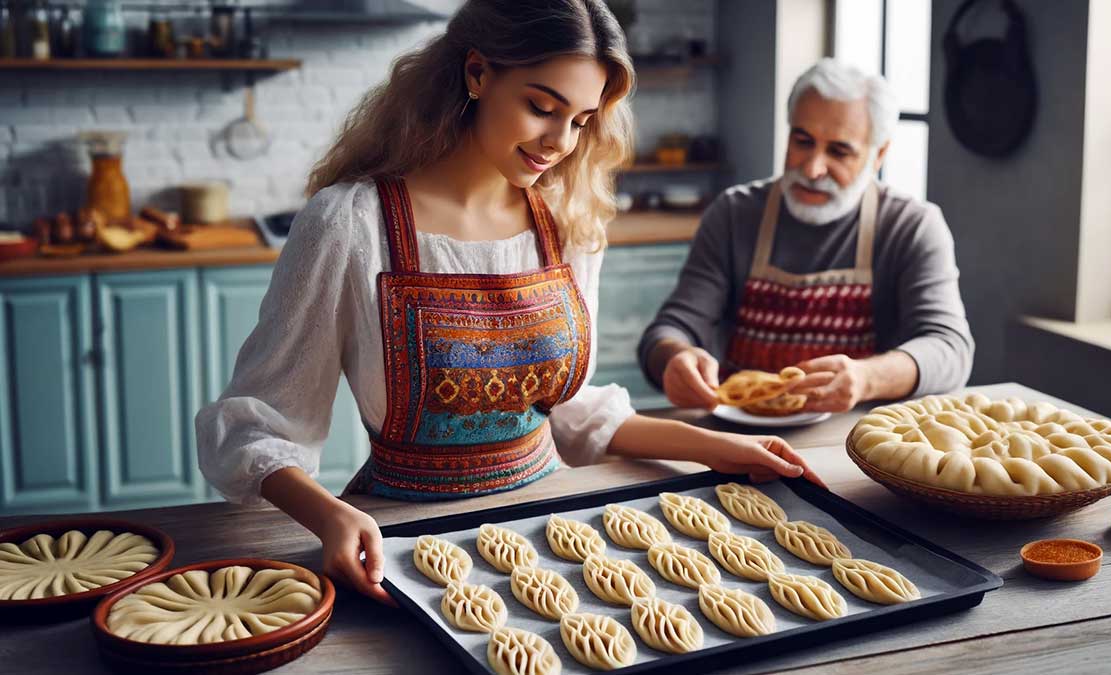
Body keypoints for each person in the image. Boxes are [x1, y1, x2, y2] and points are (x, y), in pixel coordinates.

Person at [196, 0, 823, 607]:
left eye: (580, 120)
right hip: (404, 538)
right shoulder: (351, 224)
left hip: (554, 528)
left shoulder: (567, 222)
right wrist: (331, 514)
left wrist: (717, 445)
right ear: (477, 73)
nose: (561, 142)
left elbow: (566, 411)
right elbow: (257, 423)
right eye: (542, 107)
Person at [638, 58, 974, 414]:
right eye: (802, 141)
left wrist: (867, 378)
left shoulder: (912, 226)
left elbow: (950, 348)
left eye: (839, 151)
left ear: (879, 155)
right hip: (737, 439)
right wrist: (674, 358)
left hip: (855, 441)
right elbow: (668, 330)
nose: (812, 169)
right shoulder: (734, 214)